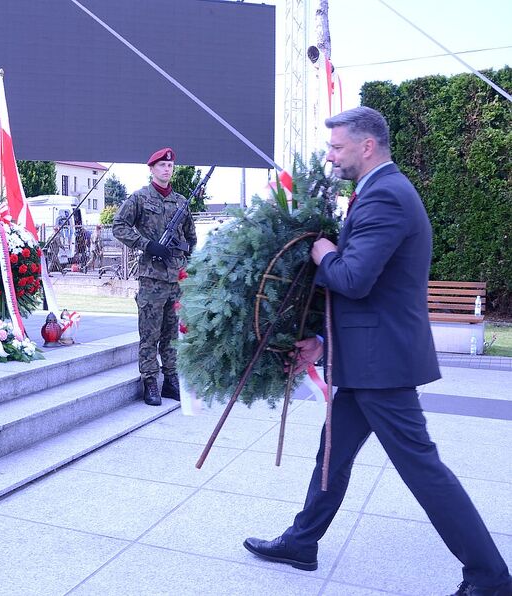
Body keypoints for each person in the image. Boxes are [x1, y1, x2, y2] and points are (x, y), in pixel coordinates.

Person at [242, 107, 511, 596]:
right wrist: (323, 344)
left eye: (337, 147)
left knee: (422, 469)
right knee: (333, 453)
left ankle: (490, 578)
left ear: (367, 146)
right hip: (369, 356)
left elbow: (353, 279)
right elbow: (375, 291)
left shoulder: (385, 195)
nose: (330, 157)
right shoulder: (378, 192)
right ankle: (303, 542)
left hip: (380, 366)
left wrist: (320, 248)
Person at [112, 147, 196, 406]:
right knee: (149, 334)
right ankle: (150, 381)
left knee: (172, 335)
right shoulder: (139, 198)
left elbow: (191, 238)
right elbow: (118, 226)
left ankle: (171, 381)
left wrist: (186, 264)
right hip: (151, 279)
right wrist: (147, 244)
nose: (167, 169)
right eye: (161, 165)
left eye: (170, 166)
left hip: (175, 280)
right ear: (151, 169)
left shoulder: (181, 201)